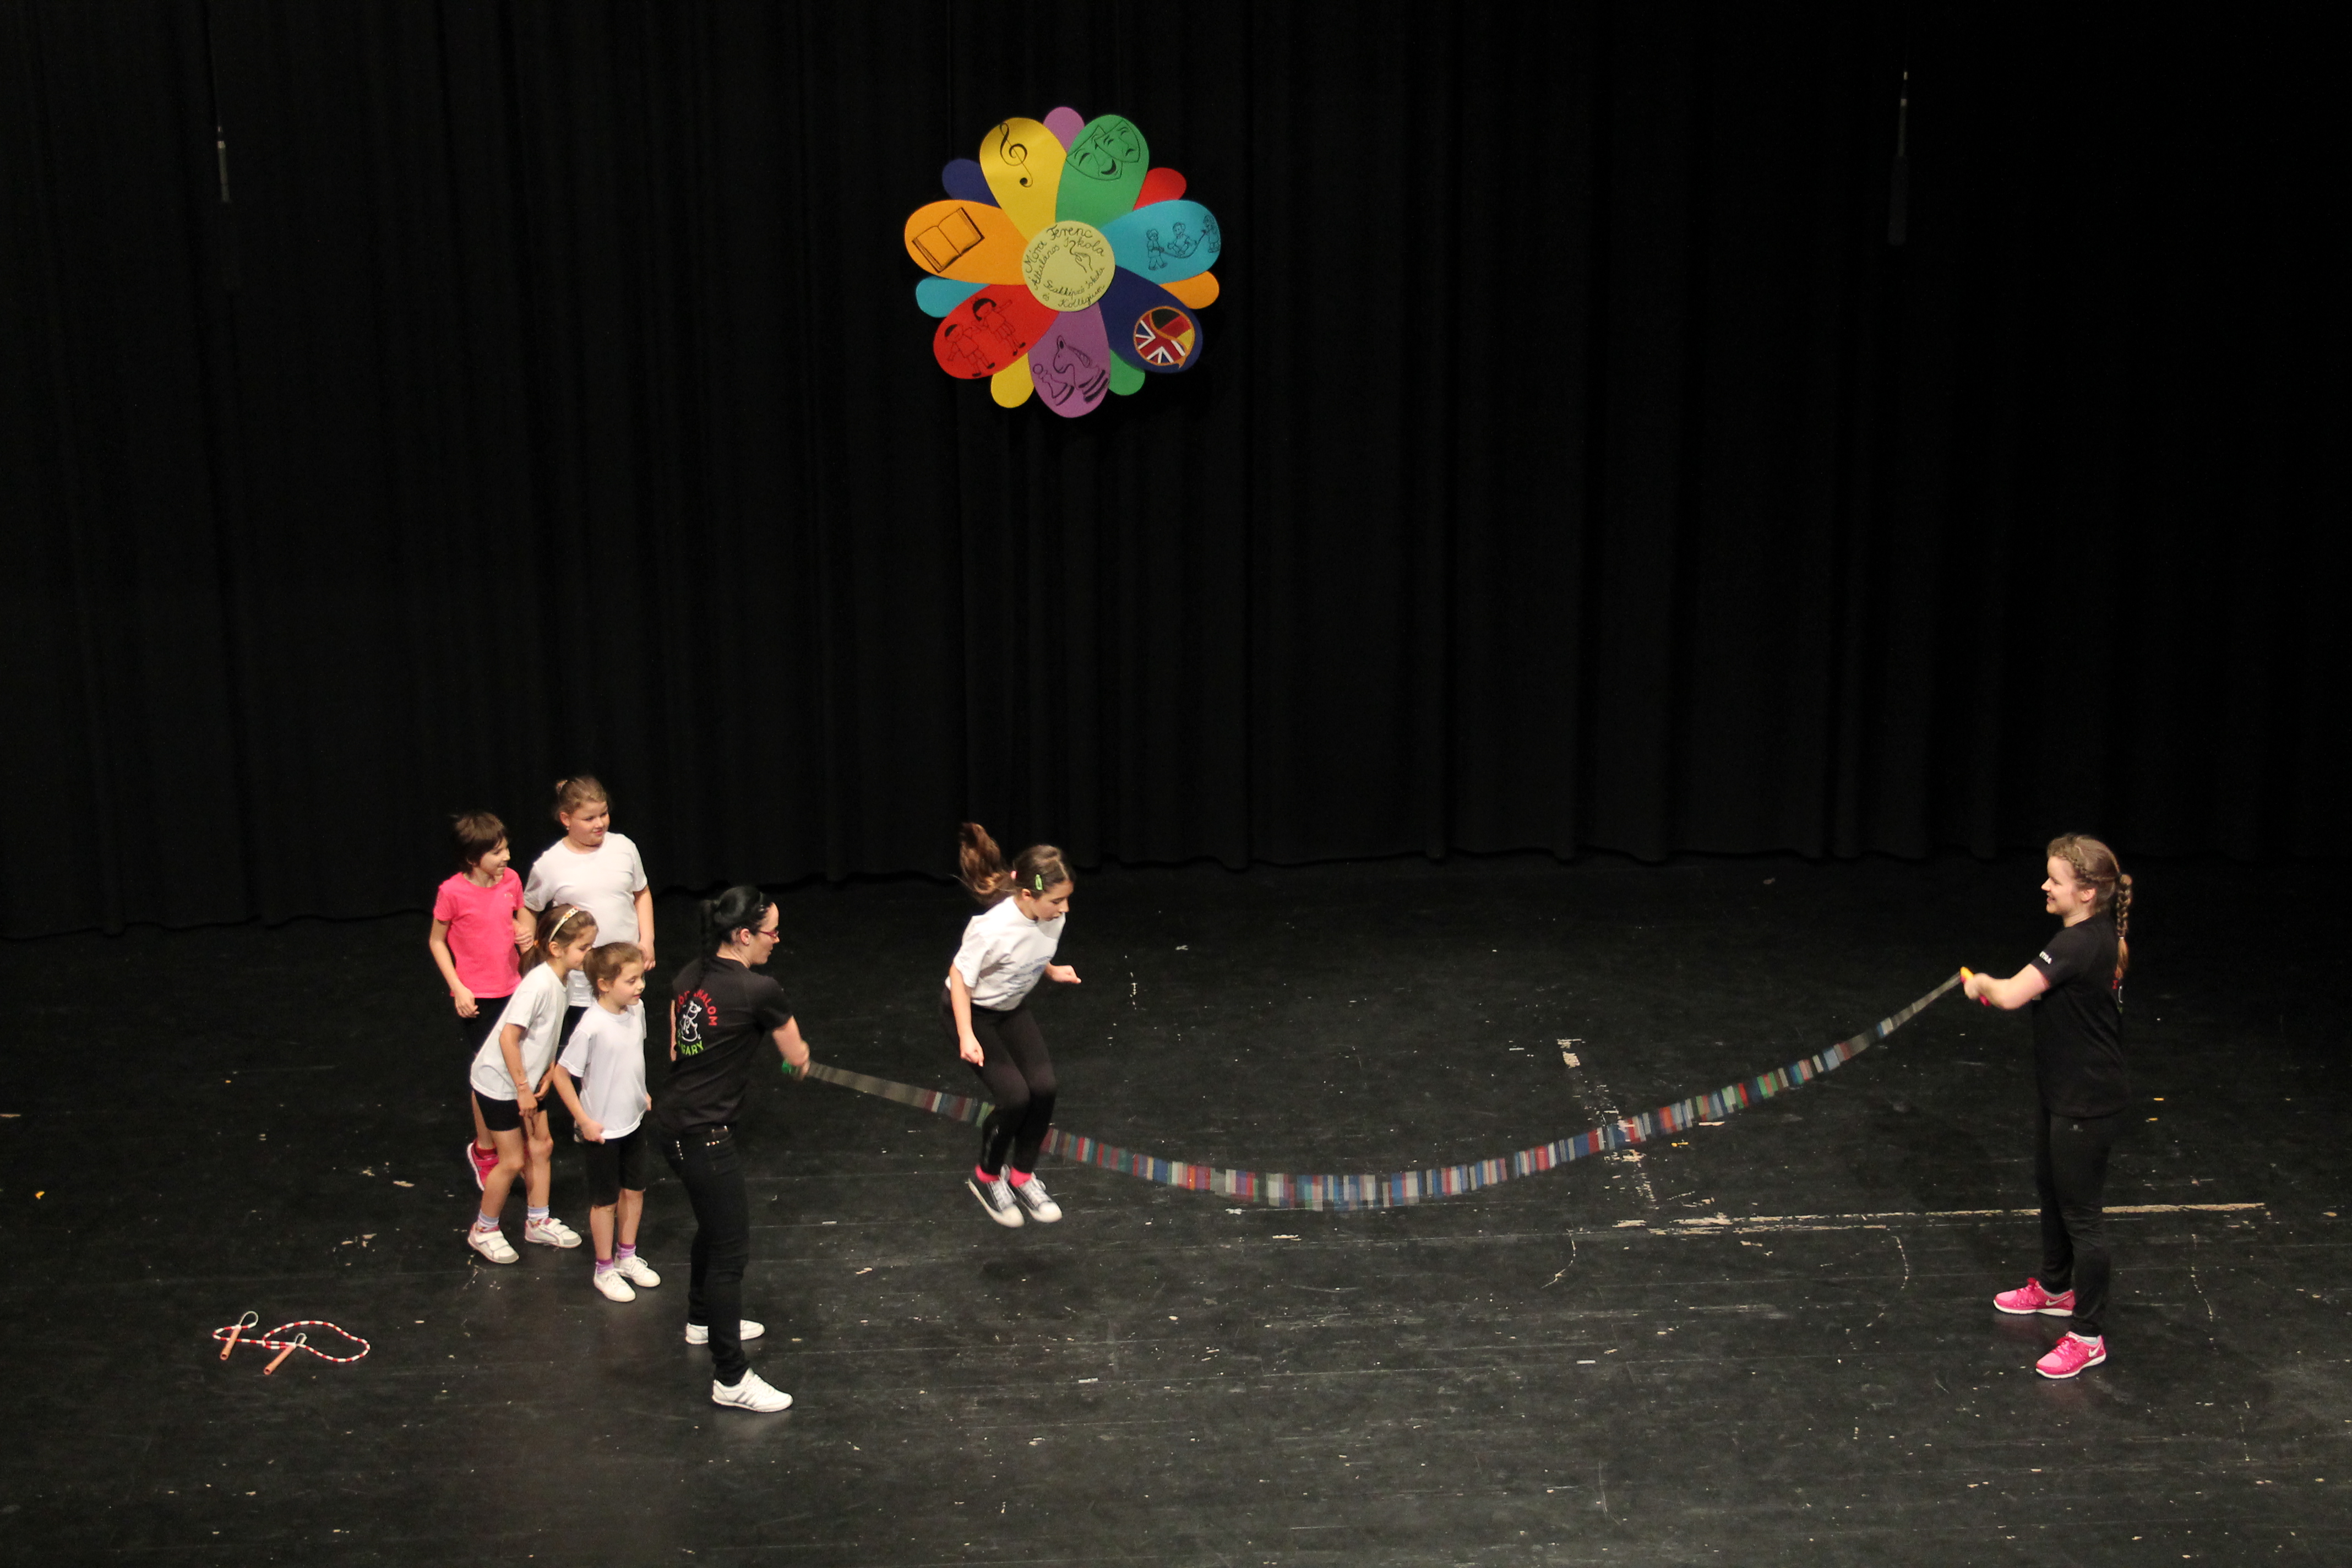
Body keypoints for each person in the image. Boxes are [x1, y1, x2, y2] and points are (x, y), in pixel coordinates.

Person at [1963, 834, 2135, 1379]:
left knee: (2082, 1217)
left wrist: (1981, 983)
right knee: (2051, 1192)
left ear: (2086, 892)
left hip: (2087, 1099)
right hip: (2061, 1090)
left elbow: (2011, 995)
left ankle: (2087, 1335)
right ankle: (2056, 1288)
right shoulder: (2089, 938)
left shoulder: (2078, 943)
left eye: (2055, 880)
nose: (2044, 885)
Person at [653, 885, 811, 1413]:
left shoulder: (688, 976)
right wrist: (797, 1062)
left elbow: (677, 1049)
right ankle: (731, 1376)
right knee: (729, 1251)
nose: (777, 941)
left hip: (672, 1124)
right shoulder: (760, 990)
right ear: (744, 935)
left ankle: (702, 1320)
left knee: (713, 1227)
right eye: (772, 933)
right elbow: (796, 1058)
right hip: (705, 1135)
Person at [943, 823, 1080, 1229]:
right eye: (1057, 901)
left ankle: (1021, 1175)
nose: (1065, 909)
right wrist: (967, 1034)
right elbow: (960, 978)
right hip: (971, 1012)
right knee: (1016, 1098)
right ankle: (986, 1177)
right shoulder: (990, 929)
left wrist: (1051, 971)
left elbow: (1031, 949)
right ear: (1028, 895)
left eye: (1067, 899)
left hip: (1011, 1008)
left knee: (1045, 1089)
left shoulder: (1050, 916)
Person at [465, 903, 595, 1264]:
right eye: (583, 947)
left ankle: (538, 1221)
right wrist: (523, 1089)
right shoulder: (538, 985)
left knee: (542, 1146)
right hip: (501, 1083)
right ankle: (483, 1230)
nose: (589, 954)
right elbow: (509, 1038)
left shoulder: (563, 981)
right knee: (511, 1160)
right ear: (556, 948)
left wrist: (547, 1071)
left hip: (529, 1079)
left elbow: (548, 1034)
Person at [548, 941, 662, 1302]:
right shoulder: (592, 1026)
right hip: (602, 1131)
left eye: (640, 978)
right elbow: (561, 1074)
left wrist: (642, 1093)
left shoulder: (637, 1010)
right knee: (605, 1201)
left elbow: (633, 1056)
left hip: (633, 1121)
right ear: (604, 984)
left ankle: (627, 1256)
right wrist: (583, 1120)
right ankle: (604, 1268)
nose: (640, 985)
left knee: (635, 1190)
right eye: (631, 980)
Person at [427, 810, 535, 1189]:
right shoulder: (452, 892)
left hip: (513, 989)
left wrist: (523, 930)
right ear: (473, 858)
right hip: (479, 997)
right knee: (488, 1072)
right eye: (497, 852)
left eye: (506, 849)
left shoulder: (511, 880)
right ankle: (485, 1148)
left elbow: (519, 915)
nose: (506, 858)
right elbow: (437, 941)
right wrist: (458, 987)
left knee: (515, 1065)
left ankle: (511, 1142)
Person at [522, 776, 654, 1042]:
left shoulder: (624, 847)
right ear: (566, 819)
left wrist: (647, 940)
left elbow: (641, 893)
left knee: (627, 1042)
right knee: (583, 1046)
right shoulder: (550, 864)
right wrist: (530, 955)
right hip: (579, 984)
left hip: (625, 973)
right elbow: (529, 908)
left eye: (603, 814)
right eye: (589, 818)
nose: (599, 823)